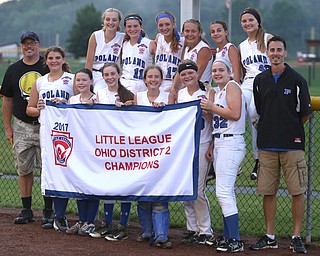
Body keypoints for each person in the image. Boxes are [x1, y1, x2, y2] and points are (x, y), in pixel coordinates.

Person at [250, 36, 311, 254]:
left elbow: (304, 114)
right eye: (272, 49)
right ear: (267, 52)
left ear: (285, 53)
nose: (275, 53)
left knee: (297, 191)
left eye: (279, 50)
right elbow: (260, 109)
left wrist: (288, 129)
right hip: (267, 144)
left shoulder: (297, 80)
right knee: (268, 191)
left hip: (292, 144)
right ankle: (270, 236)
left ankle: (296, 236)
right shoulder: (260, 80)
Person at [0, 31, 54, 228]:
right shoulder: (14, 69)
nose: (28, 46)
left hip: (46, 124)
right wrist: (8, 128)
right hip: (22, 125)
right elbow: (7, 100)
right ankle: (26, 210)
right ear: (21, 47)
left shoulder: (47, 66)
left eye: (32, 43)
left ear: (38, 45)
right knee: (24, 169)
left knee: (47, 168)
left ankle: (49, 211)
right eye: (25, 44)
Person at [26, 46, 75, 232]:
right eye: (50, 58)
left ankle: (61, 215)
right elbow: (29, 109)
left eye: (57, 57)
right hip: (47, 131)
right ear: (45, 61)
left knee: (65, 169)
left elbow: (82, 99)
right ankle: (50, 213)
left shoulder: (71, 79)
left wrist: (66, 102)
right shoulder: (40, 82)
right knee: (48, 170)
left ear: (63, 59)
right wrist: (38, 108)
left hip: (67, 130)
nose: (54, 61)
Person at [200, 58, 246, 253]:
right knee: (226, 191)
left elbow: (234, 114)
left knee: (223, 192)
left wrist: (211, 107)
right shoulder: (218, 92)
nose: (217, 73)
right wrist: (211, 143)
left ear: (230, 72)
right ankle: (229, 237)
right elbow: (219, 118)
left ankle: (235, 239)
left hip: (231, 141)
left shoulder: (232, 86)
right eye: (215, 71)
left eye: (221, 70)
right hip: (220, 141)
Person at [89, 62, 134, 240]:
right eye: (106, 74)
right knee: (107, 185)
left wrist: (128, 106)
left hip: (123, 146)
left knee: (124, 185)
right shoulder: (99, 93)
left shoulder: (128, 94)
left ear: (119, 74)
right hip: (106, 145)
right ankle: (107, 223)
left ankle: (123, 225)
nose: (109, 77)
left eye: (112, 74)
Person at [172, 60, 214, 245]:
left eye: (190, 73)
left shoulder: (206, 93)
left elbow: (215, 121)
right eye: (183, 74)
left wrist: (212, 145)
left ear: (197, 74)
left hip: (203, 143)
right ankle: (192, 228)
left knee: (197, 190)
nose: (187, 76)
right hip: (184, 146)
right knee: (186, 189)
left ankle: (205, 230)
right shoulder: (180, 94)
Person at [133, 65, 172, 249]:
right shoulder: (138, 97)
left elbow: (175, 120)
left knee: (160, 191)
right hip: (141, 152)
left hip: (161, 151)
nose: (153, 80)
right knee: (143, 192)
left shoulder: (168, 96)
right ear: (145, 79)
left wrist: (164, 110)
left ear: (161, 79)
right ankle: (146, 230)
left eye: (157, 76)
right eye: (150, 77)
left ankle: (161, 234)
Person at [239, 7, 273, 180]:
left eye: (250, 20)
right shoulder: (242, 46)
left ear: (258, 21)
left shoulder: (267, 39)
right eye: (244, 21)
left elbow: (276, 61)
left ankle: (258, 159)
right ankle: (235, 157)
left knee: (254, 112)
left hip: (265, 80)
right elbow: (243, 72)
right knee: (236, 110)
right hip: (248, 82)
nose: (247, 23)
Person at [65, 68, 99, 236]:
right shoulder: (72, 99)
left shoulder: (97, 98)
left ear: (91, 81)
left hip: (93, 147)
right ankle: (81, 219)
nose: (81, 83)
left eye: (84, 80)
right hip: (78, 146)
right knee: (79, 183)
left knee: (91, 183)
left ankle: (90, 221)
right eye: (78, 80)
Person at [86, 8, 125, 93]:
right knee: (100, 92)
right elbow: (89, 63)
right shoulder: (96, 36)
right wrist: (89, 81)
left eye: (114, 20)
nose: (110, 23)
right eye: (107, 19)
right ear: (103, 21)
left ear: (119, 22)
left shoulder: (123, 37)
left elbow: (138, 35)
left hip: (114, 76)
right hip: (97, 74)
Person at [172, 19, 213, 91]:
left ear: (199, 33)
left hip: (201, 91)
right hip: (187, 90)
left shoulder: (203, 49)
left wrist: (180, 91)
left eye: (193, 31)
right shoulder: (186, 48)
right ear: (183, 33)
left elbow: (197, 76)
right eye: (187, 31)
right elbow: (180, 71)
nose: (190, 34)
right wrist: (173, 89)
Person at [120, 13, 155, 94]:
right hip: (123, 83)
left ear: (141, 26)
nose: (132, 29)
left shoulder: (150, 43)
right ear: (125, 28)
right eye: (129, 26)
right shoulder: (124, 44)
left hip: (141, 84)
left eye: (135, 26)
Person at [153, 11, 185, 92]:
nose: (164, 28)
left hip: (175, 83)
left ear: (173, 24)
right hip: (158, 83)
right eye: (161, 25)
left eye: (167, 24)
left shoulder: (183, 40)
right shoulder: (159, 37)